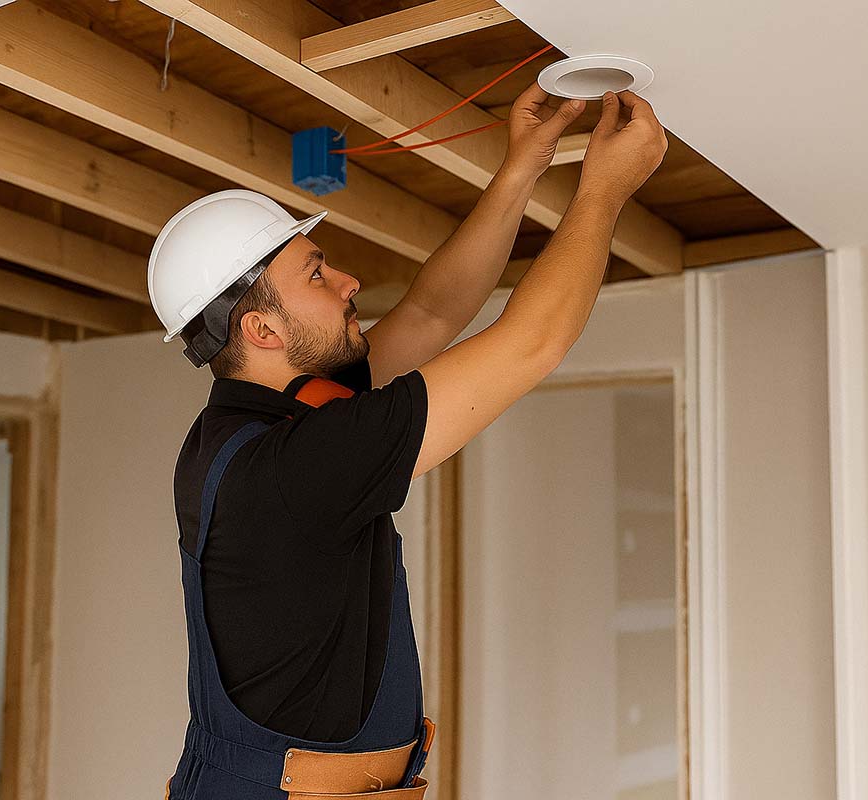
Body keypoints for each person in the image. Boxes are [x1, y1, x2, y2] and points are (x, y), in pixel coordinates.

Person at [149, 84, 667, 800]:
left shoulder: (275, 417)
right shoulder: (286, 466)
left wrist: (524, 166)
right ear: (261, 330)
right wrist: (605, 193)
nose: (349, 280)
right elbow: (532, 344)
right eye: (317, 274)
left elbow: (432, 310)